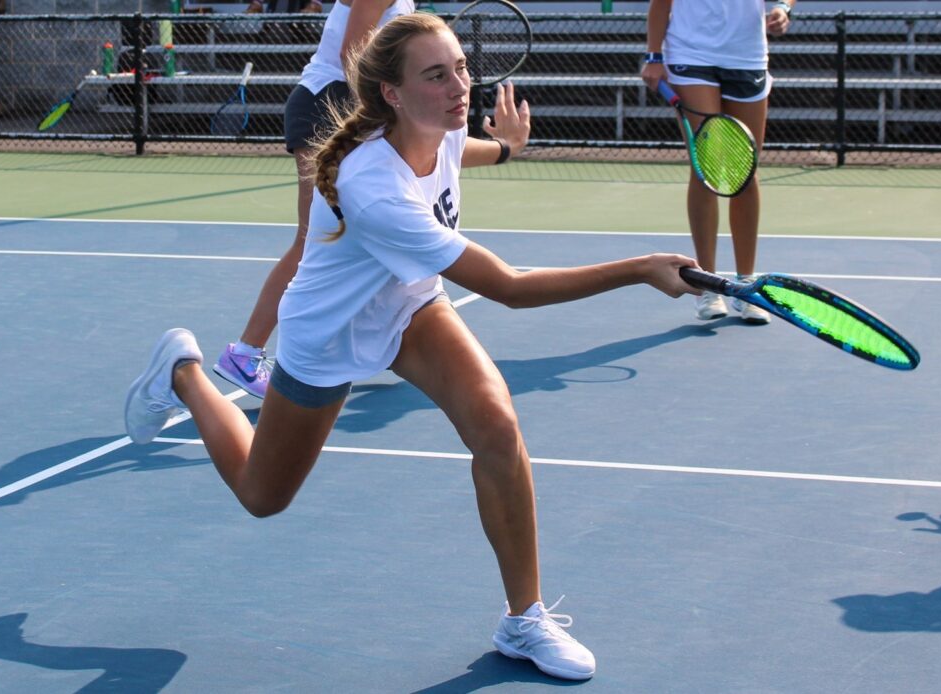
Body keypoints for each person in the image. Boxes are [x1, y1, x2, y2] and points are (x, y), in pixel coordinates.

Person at [126, 13, 700, 681]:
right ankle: (186, 371)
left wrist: (508, 149)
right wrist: (638, 268)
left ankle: (525, 618)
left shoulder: (444, 126)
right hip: (329, 334)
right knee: (262, 495)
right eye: (436, 75)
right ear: (393, 95)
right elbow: (510, 288)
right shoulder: (374, 187)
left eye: (460, 67)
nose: (460, 86)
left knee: (496, 422)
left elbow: (460, 148)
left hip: (409, 306)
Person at [215, 0, 416, 398]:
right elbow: (352, 54)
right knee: (313, 239)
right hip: (329, 106)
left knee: (361, 235)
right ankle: (245, 352)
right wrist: (391, 112)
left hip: (350, 110)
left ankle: (395, 344)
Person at [641, 0, 795, 323]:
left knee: (745, 170)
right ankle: (707, 283)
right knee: (706, 166)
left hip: (747, 55)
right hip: (690, 53)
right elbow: (661, 3)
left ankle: (746, 284)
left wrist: (783, 6)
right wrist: (654, 56)